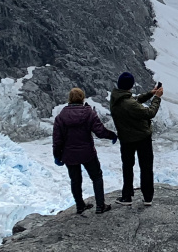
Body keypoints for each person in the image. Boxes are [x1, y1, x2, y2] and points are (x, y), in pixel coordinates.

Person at [52, 87, 118, 215]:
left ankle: (80, 206)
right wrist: (112, 135)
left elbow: (57, 140)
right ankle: (100, 206)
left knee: (75, 180)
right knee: (97, 177)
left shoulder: (61, 117)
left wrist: (57, 156)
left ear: (69, 99)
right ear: (82, 98)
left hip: (69, 155)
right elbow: (100, 132)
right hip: (87, 153)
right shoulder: (89, 113)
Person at [109, 72, 162, 207]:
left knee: (127, 167)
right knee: (146, 167)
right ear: (131, 85)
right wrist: (157, 98)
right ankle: (148, 197)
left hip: (126, 139)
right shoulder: (129, 103)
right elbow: (149, 113)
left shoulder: (116, 98)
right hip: (142, 138)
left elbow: (134, 102)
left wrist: (150, 93)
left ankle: (127, 196)